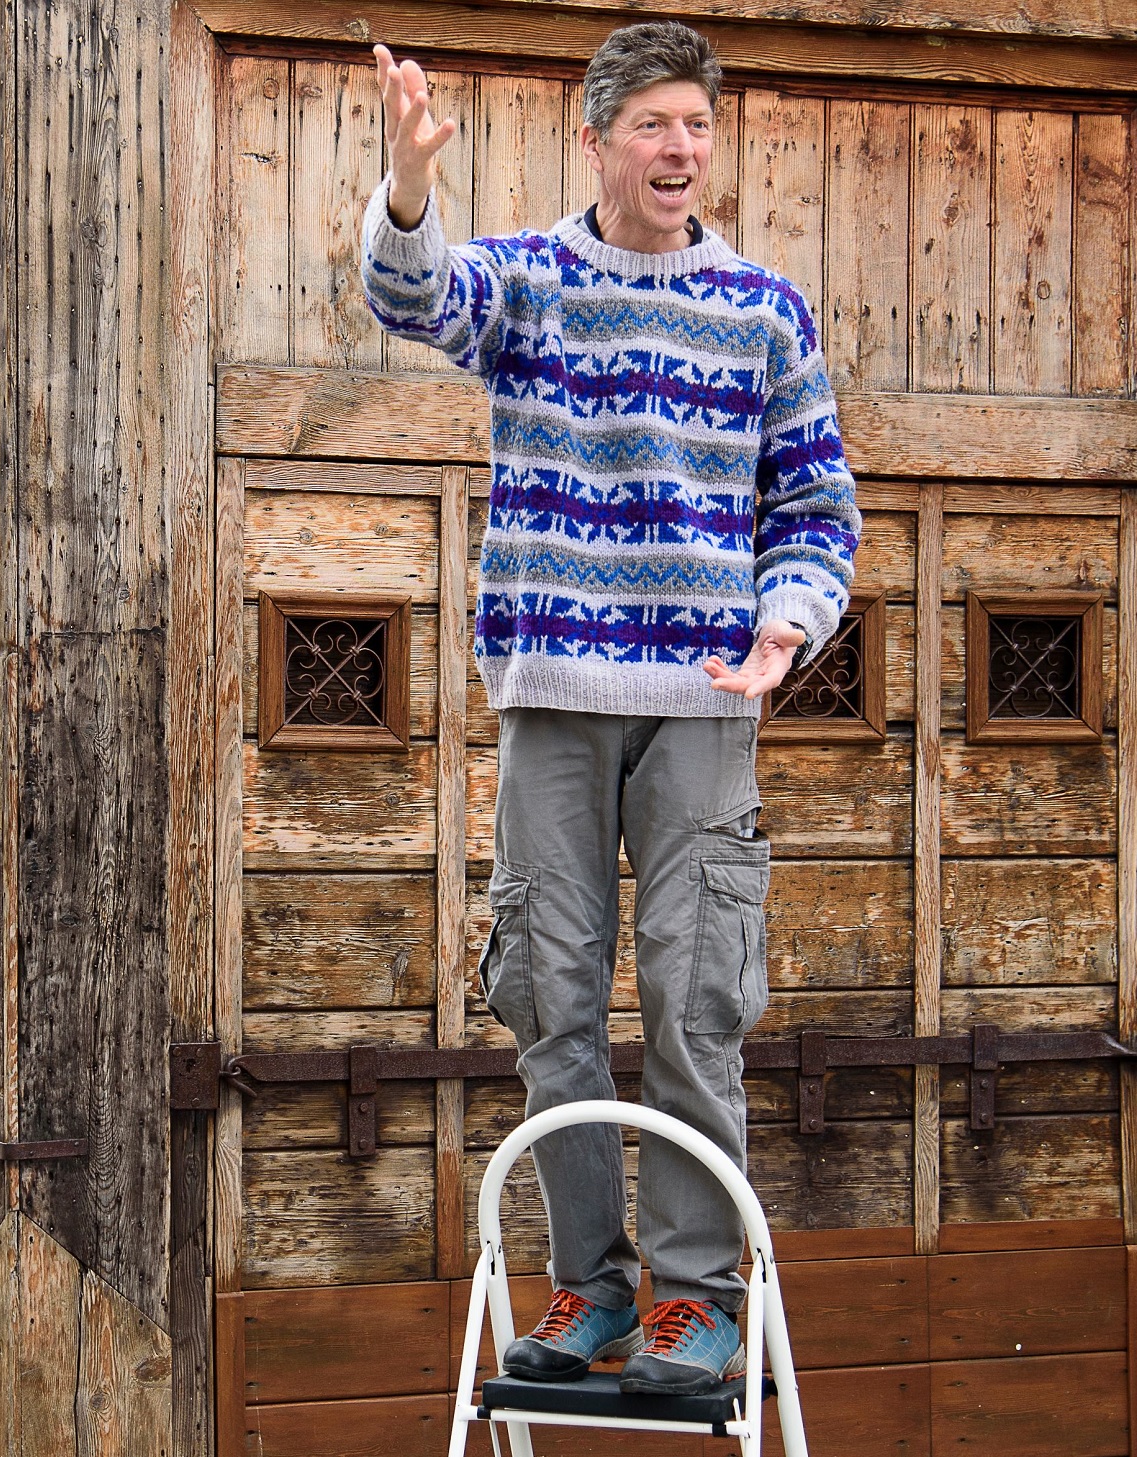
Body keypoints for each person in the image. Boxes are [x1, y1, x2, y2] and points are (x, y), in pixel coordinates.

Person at [361, 22, 860, 1397]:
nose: (680, 149)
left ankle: (693, 1306)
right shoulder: (527, 283)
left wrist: (784, 625)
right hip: (552, 707)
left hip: (704, 708)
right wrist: (407, 185)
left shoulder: (764, 310)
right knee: (552, 999)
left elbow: (818, 512)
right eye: (652, 124)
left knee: (699, 1003)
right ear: (596, 140)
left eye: (696, 124)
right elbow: (412, 296)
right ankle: (589, 1286)